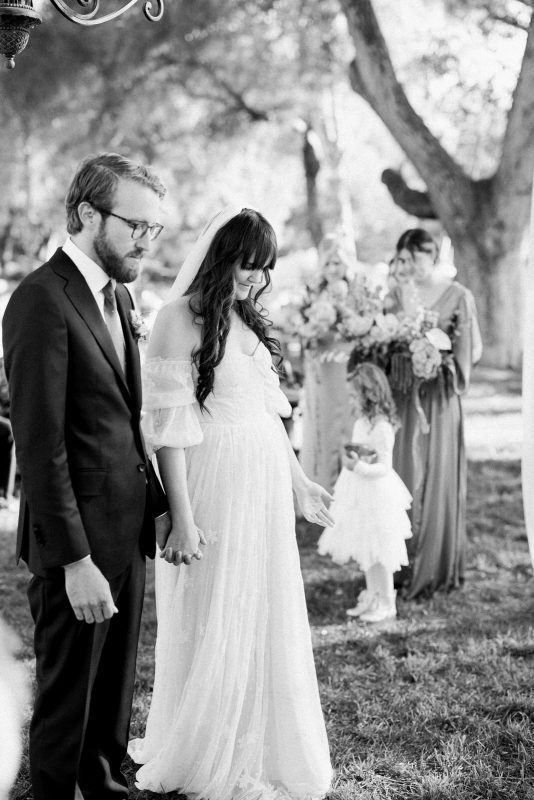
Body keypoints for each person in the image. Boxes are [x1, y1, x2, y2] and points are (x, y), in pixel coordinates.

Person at [128, 207, 333, 799]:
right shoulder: (176, 319)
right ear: (223, 258)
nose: (257, 279)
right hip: (213, 479)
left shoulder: (246, 319)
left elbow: (269, 414)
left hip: (263, 481)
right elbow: (167, 427)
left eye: (265, 269)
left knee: (262, 603)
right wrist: (182, 518)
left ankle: (262, 741)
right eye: (250, 266)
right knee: (215, 606)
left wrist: (299, 483)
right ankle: (208, 745)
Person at [2, 153, 171, 800]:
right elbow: (40, 447)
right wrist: (75, 560)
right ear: (86, 214)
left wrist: (155, 506)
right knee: (68, 707)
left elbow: (122, 415)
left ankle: (106, 787)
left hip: (126, 530)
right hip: (76, 544)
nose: (146, 242)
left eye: (155, 229)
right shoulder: (41, 300)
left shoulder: (119, 295)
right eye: (137, 226)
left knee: (111, 699)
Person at [387, 228, 482, 598]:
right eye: (403, 259)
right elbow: (383, 345)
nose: (407, 266)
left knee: (437, 474)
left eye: (414, 258)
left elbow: (469, 353)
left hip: (440, 401)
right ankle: (400, 563)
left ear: (432, 255)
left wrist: (437, 363)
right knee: (403, 475)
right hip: (404, 399)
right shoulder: (395, 296)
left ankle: (435, 565)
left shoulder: (459, 297)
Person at [318, 362, 412, 622]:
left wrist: (358, 466)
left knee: (380, 549)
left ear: (369, 394)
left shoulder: (382, 427)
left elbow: (385, 466)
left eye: (354, 394)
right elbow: (361, 448)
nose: (351, 399)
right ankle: (372, 596)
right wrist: (353, 456)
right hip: (358, 491)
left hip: (377, 493)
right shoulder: (362, 421)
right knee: (365, 546)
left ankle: (386, 601)